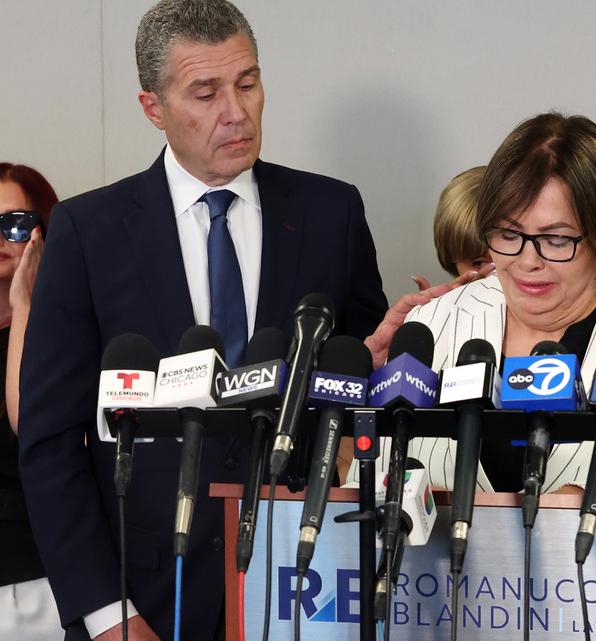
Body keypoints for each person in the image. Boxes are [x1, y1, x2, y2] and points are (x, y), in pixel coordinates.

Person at [17, 1, 388, 640]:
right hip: (146, 595)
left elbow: (366, 384)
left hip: (306, 585)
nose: (236, 111)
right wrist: (108, 615)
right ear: (153, 108)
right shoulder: (89, 233)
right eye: (206, 92)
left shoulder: (332, 214)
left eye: (247, 83)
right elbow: (50, 444)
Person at [364, 111, 596, 505]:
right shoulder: (433, 325)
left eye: (557, 239)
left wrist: (593, 499)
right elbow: (372, 483)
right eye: (509, 234)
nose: (528, 261)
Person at [0, 163, 59, 640]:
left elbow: (30, 421)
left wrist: (24, 304)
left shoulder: (66, 331)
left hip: (32, 583)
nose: (1, 239)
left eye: (15, 224)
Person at [410, 165, 493, 292]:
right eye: (479, 263)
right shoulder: (446, 308)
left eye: (513, 254)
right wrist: (438, 311)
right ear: (452, 261)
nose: (497, 274)